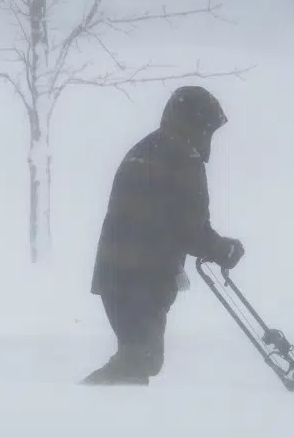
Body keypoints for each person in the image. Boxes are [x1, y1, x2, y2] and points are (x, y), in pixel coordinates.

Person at [82, 85, 244, 385]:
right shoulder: (183, 158)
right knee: (140, 360)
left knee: (137, 359)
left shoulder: (146, 148)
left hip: (114, 275)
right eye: (208, 128)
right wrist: (224, 250)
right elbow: (191, 229)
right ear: (197, 124)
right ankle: (81, 405)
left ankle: (106, 414)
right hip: (144, 278)